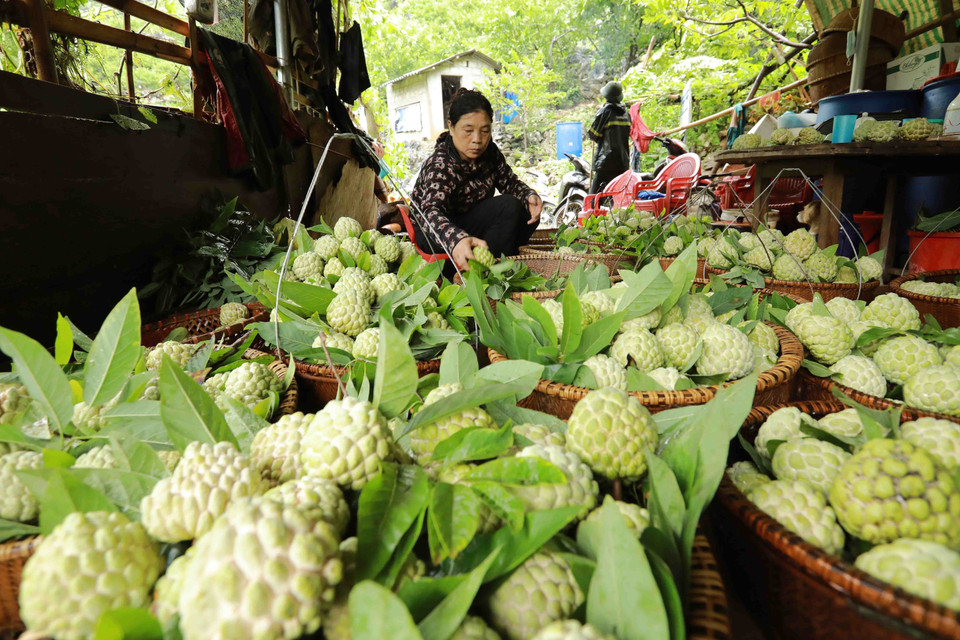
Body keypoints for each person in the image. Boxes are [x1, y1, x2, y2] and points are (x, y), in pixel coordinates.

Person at [410, 88, 542, 270]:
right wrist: (456, 239)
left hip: (469, 223)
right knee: (509, 206)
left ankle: (494, 263)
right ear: (451, 127)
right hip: (435, 231)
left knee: (526, 210)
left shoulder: (490, 154)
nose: (477, 139)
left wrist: (528, 195)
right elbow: (430, 212)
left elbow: (509, 183)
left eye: (485, 131)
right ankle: (484, 272)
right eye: (468, 130)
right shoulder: (441, 163)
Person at [587, 81, 631, 194]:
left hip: (606, 163)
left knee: (594, 198)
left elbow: (592, 135)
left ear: (606, 96)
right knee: (617, 198)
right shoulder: (626, 114)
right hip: (622, 162)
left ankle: (593, 212)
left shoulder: (604, 112)